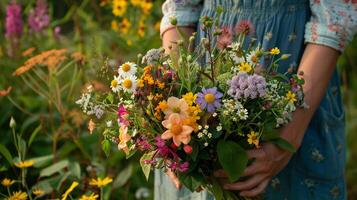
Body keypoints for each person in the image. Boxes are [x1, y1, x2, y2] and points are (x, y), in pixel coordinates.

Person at [155, 0, 357, 199]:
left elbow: (333, 19)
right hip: (202, 76)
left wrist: (286, 139)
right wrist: (178, 114)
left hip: (296, 88)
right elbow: (180, 9)